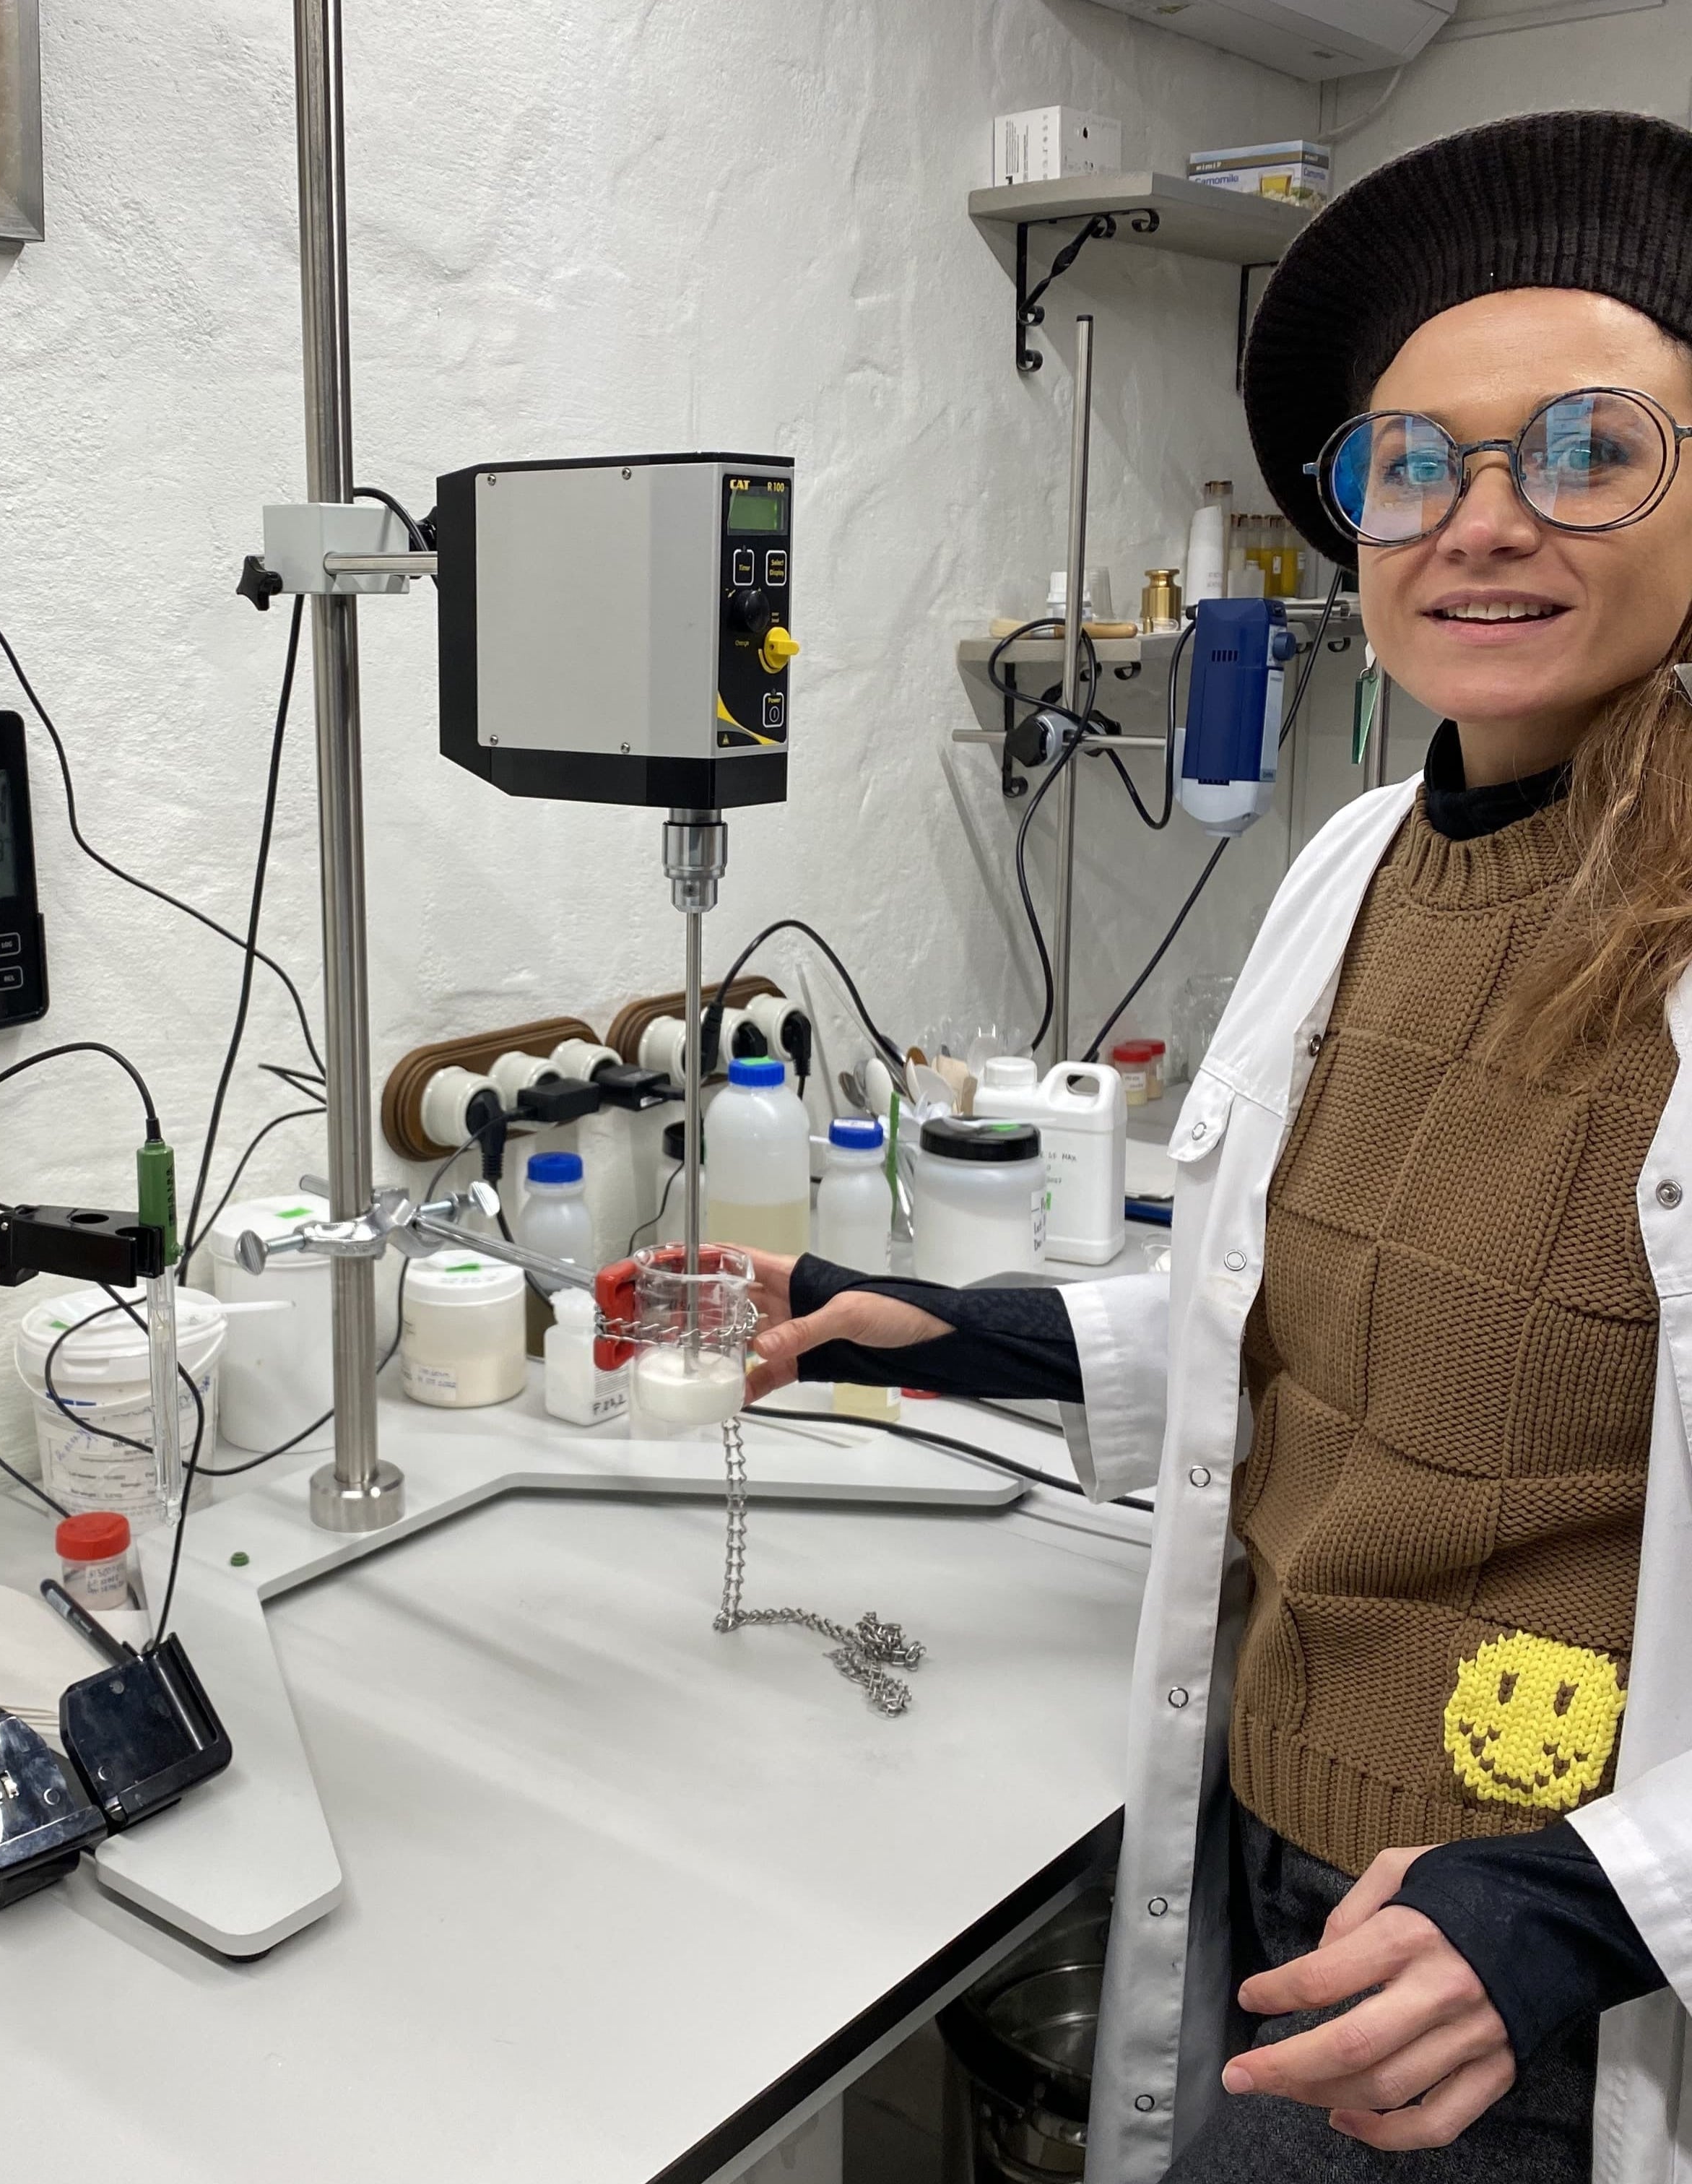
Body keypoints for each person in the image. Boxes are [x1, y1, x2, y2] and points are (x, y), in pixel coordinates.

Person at [743, 110, 1692, 2184]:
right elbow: (1290, 1318)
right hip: (1275, 1850)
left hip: (1518, 1989)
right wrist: (955, 1332)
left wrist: (1586, 1905)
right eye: (1414, 463)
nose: (1483, 522)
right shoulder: (1355, 865)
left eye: (1593, 449)